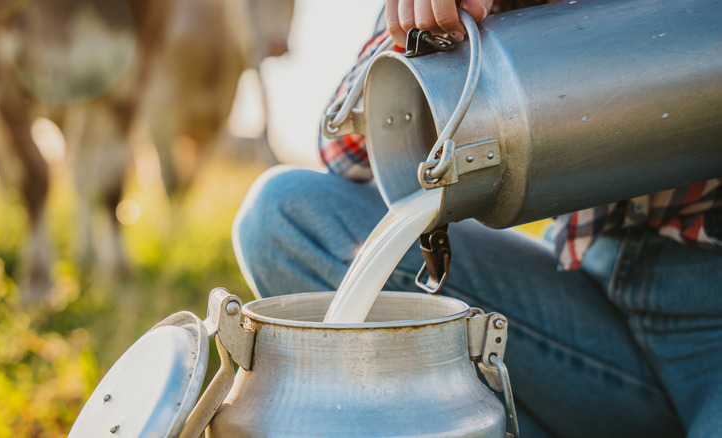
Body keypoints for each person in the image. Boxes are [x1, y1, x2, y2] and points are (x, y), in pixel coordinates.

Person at [233, 0, 722, 436]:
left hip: (710, 308)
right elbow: (345, 150)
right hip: (591, 300)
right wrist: (435, 25)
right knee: (285, 218)